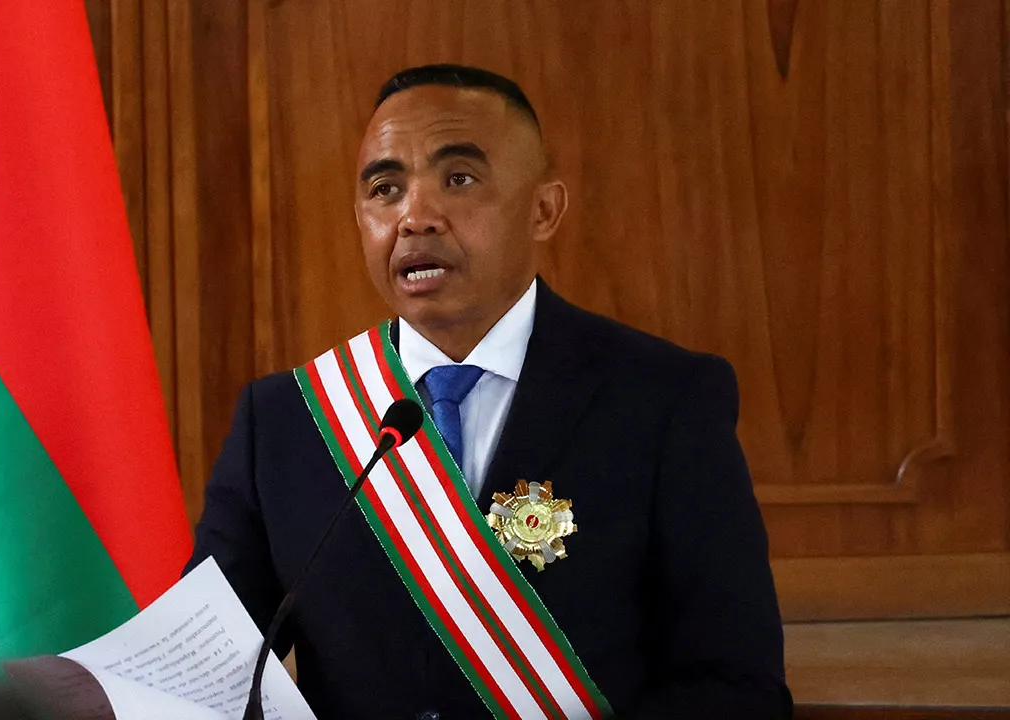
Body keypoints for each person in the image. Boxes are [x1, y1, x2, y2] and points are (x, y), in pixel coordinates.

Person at [185, 64, 790, 719]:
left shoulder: (664, 402)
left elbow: (736, 686)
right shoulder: (286, 422)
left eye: (459, 179)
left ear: (543, 210)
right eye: (386, 189)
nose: (415, 217)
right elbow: (202, 679)